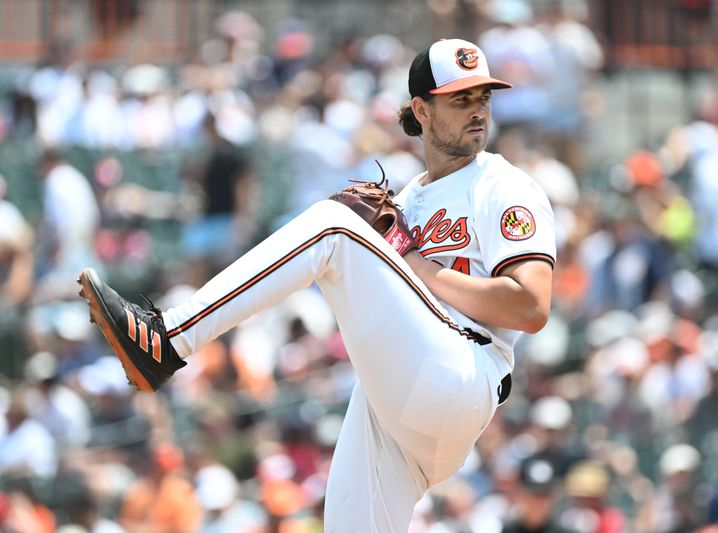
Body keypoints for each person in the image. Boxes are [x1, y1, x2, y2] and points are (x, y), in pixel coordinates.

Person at [77, 38, 556, 532]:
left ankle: (168, 338)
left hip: (465, 371)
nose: (478, 110)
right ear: (422, 109)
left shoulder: (503, 184)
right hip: (396, 408)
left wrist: (418, 266)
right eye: (461, 99)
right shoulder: (410, 198)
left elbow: (531, 306)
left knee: (334, 223)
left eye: (484, 97)